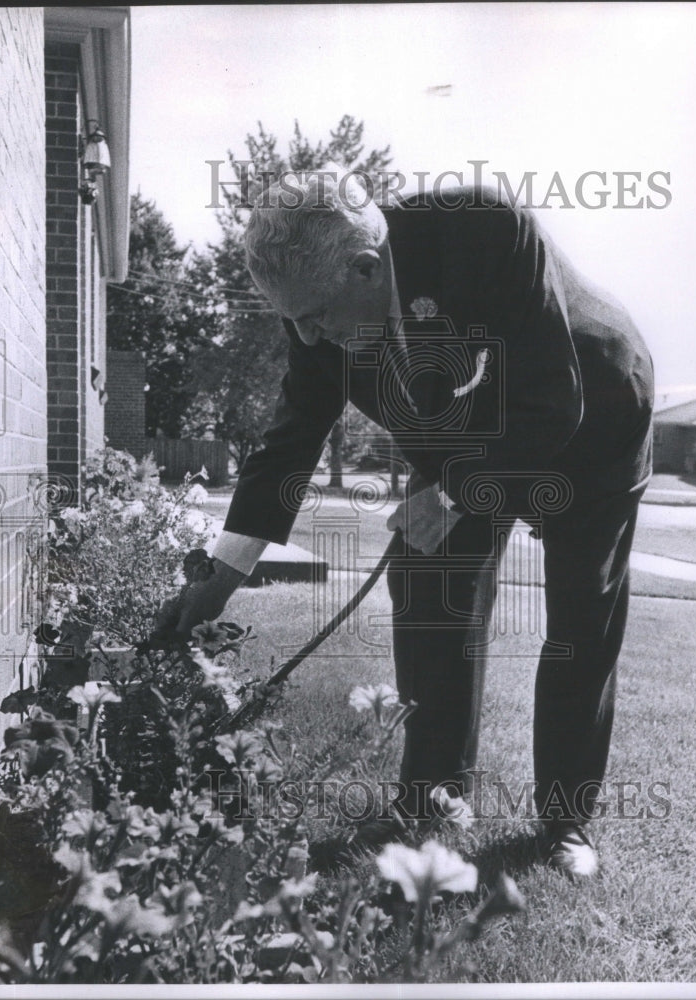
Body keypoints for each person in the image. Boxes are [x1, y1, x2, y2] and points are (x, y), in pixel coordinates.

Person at [164, 169, 654, 878]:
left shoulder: (483, 228)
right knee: (428, 589)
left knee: (581, 617)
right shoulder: (316, 284)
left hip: (591, 417)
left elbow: (552, 401)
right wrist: (220, 574)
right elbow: (294, 433)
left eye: (314, 318)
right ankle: (432, 796)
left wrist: (452, 493)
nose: (305, 336)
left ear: (367, 267)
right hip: (473, 435)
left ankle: (563, 822)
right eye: (292, 319)